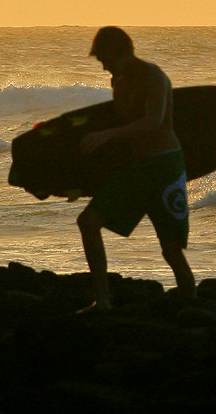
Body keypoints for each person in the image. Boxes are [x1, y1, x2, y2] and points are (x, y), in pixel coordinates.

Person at [76, 26, 195, 311]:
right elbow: (123, 128)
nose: (104, 66)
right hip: (137, 167)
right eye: (100, 60)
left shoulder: (153, 75)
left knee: (170, 247)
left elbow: (153, 122)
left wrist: (106, 136)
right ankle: (102, 300)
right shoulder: (119, 79)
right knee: (88, 222)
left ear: (124, 52)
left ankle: (190, 300)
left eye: (107, 59)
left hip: (164, 165)